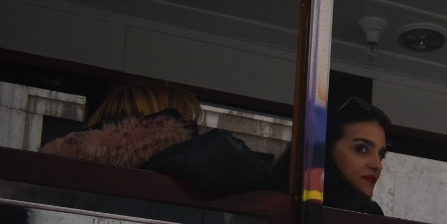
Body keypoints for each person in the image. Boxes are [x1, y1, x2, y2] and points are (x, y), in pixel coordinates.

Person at [41, 81, 273, 195]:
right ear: (165, 127)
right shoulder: (173, 185)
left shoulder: (61, 163)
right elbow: (229, 156)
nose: (194, 135)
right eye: (187, 124)